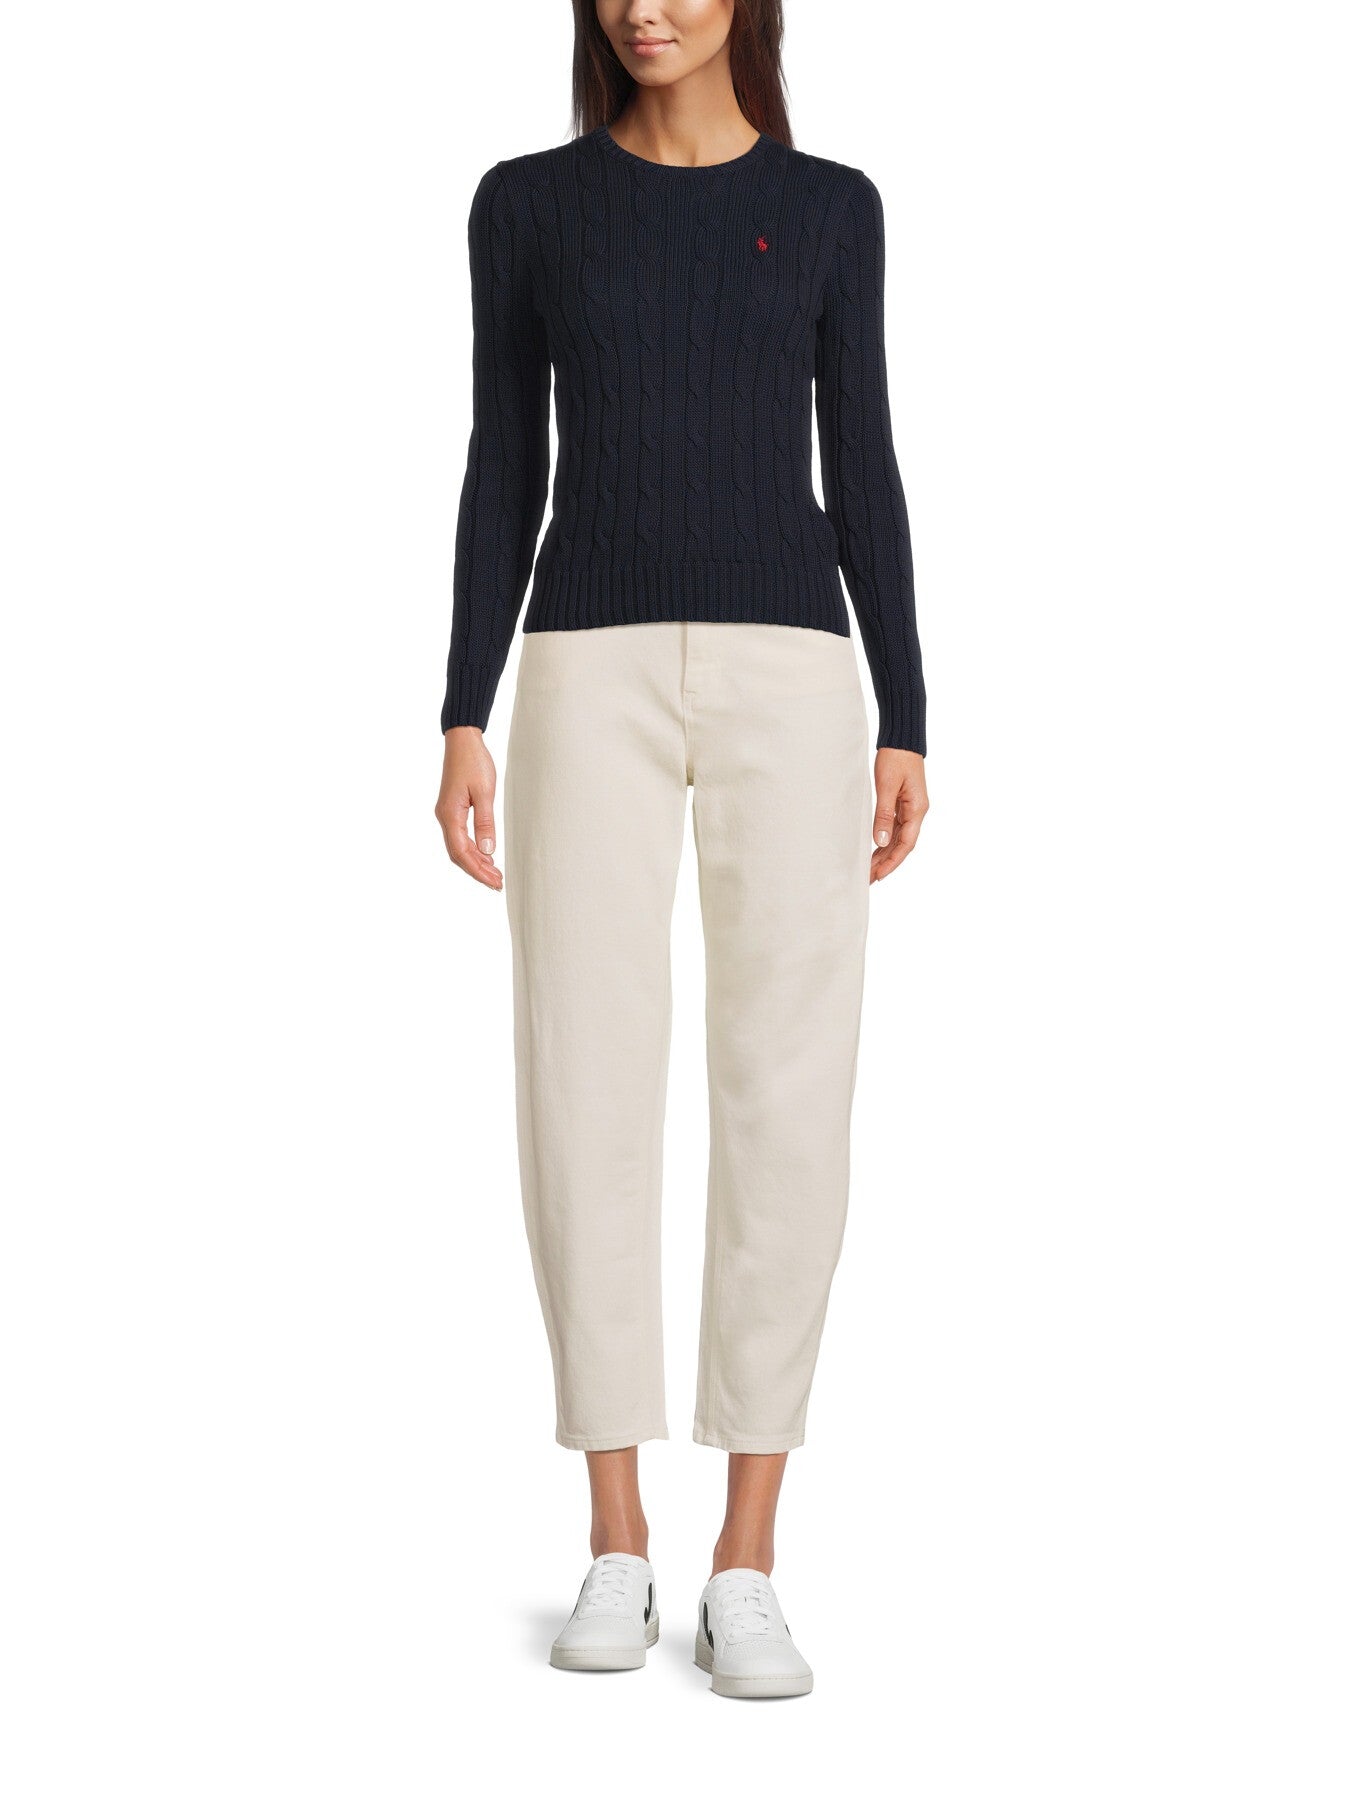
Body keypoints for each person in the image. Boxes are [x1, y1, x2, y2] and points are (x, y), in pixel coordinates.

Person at [435, 0, 928, 1700]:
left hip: (796, 673)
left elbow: (861, 456)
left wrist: (908, 712)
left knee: (785, 1082)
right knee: (582, 1074)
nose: (643, 5)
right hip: (584, 666)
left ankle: (748, 1559)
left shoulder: (831, 206)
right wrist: (462, 708)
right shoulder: (526, 204)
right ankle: (616, 1534)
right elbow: (504, 459)